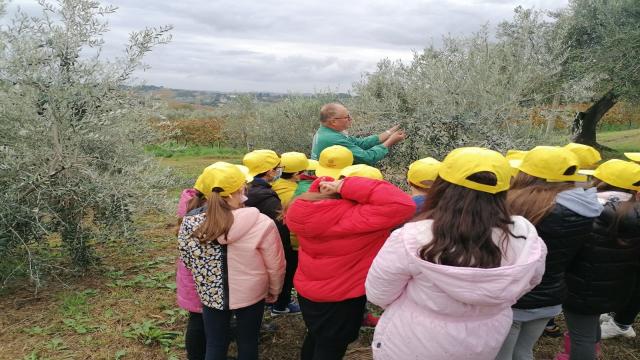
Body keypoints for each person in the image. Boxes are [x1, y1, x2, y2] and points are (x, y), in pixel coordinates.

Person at [365, 147, 546, 360]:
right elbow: (530, 280)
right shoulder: (523, 233)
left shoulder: (413, 236)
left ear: (442, 184)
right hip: (485, 337)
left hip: (415, 339)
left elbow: (379, 294)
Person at [285, 175, 416, 360]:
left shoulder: (309, 209)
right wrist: (345, 185)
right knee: (331, 347)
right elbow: (403, 204)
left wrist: (327, 182)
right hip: (342, 297)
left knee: (316, 336)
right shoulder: (358, 218)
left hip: (309, 290)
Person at [496, 146, 603, 360]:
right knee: (524, 351)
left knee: (501, 355)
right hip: (551, 296)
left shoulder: (513, 204)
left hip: (513, 296)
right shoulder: (588, 209)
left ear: (527, 172)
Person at [177, 162, 285, 360]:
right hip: (251, 294)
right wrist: (274, 291)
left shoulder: (189, 222)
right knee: (248, 342)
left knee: (215, 343)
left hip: (211, 294)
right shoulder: (262, 222)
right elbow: (276, 265)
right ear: (240, 189)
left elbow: (187, 258)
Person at [558, 159, 640, 360]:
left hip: (582, 287)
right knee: (589, 325)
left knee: (581, 337)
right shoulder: (634, 213)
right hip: (616, 287)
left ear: (600, 181)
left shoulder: (590, 211)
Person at [175, 165, 253, 360]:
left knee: (201, 321)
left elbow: (184, 253)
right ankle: (197, 355)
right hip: (204, 281)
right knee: (199, 323)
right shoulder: (211, 215)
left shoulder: (191, 203)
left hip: (195, 276)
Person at [242, 149, 299, 315]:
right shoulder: (267, 197)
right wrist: (286, 249)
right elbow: (279, 227)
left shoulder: (246, 188)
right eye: (277, 168)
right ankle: (280, 305)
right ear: (270, 171)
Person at [310, 103, 406, 165]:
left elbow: (360, 143)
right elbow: (367, 158)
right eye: (347, 117)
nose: (350, 119)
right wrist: (390, 141)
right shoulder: (333, 139)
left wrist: (389, 132)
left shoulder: (326, 132)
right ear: (333, 122)